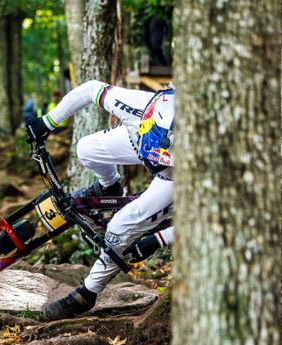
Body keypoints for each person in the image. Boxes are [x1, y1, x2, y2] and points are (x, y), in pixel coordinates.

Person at [24, 81, 176, 320]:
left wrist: (159, 239)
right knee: (86, 148)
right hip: (138, 135)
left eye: (155, 159)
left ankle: (87, 293)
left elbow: (214, 217)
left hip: (175, 179)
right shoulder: (142, 105)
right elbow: (92, 89)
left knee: (118, 229)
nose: (149, 163)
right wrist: (48, 121)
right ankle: (109, 186)